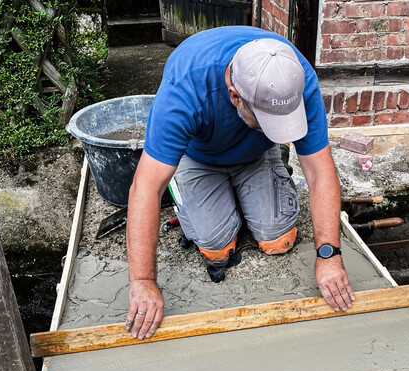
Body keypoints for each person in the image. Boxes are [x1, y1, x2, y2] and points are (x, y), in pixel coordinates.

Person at [125, 26, 354, 340]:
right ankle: (194, 190)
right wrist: (143, 282)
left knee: (278, 240)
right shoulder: (185, 89)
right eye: (271, 121)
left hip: (256, 154)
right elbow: (145, 188)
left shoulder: (292, 78)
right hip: (199, 157)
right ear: (235, 96)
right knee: (217, 248)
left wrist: (329, 255)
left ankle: (262, 174)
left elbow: (319, 172)